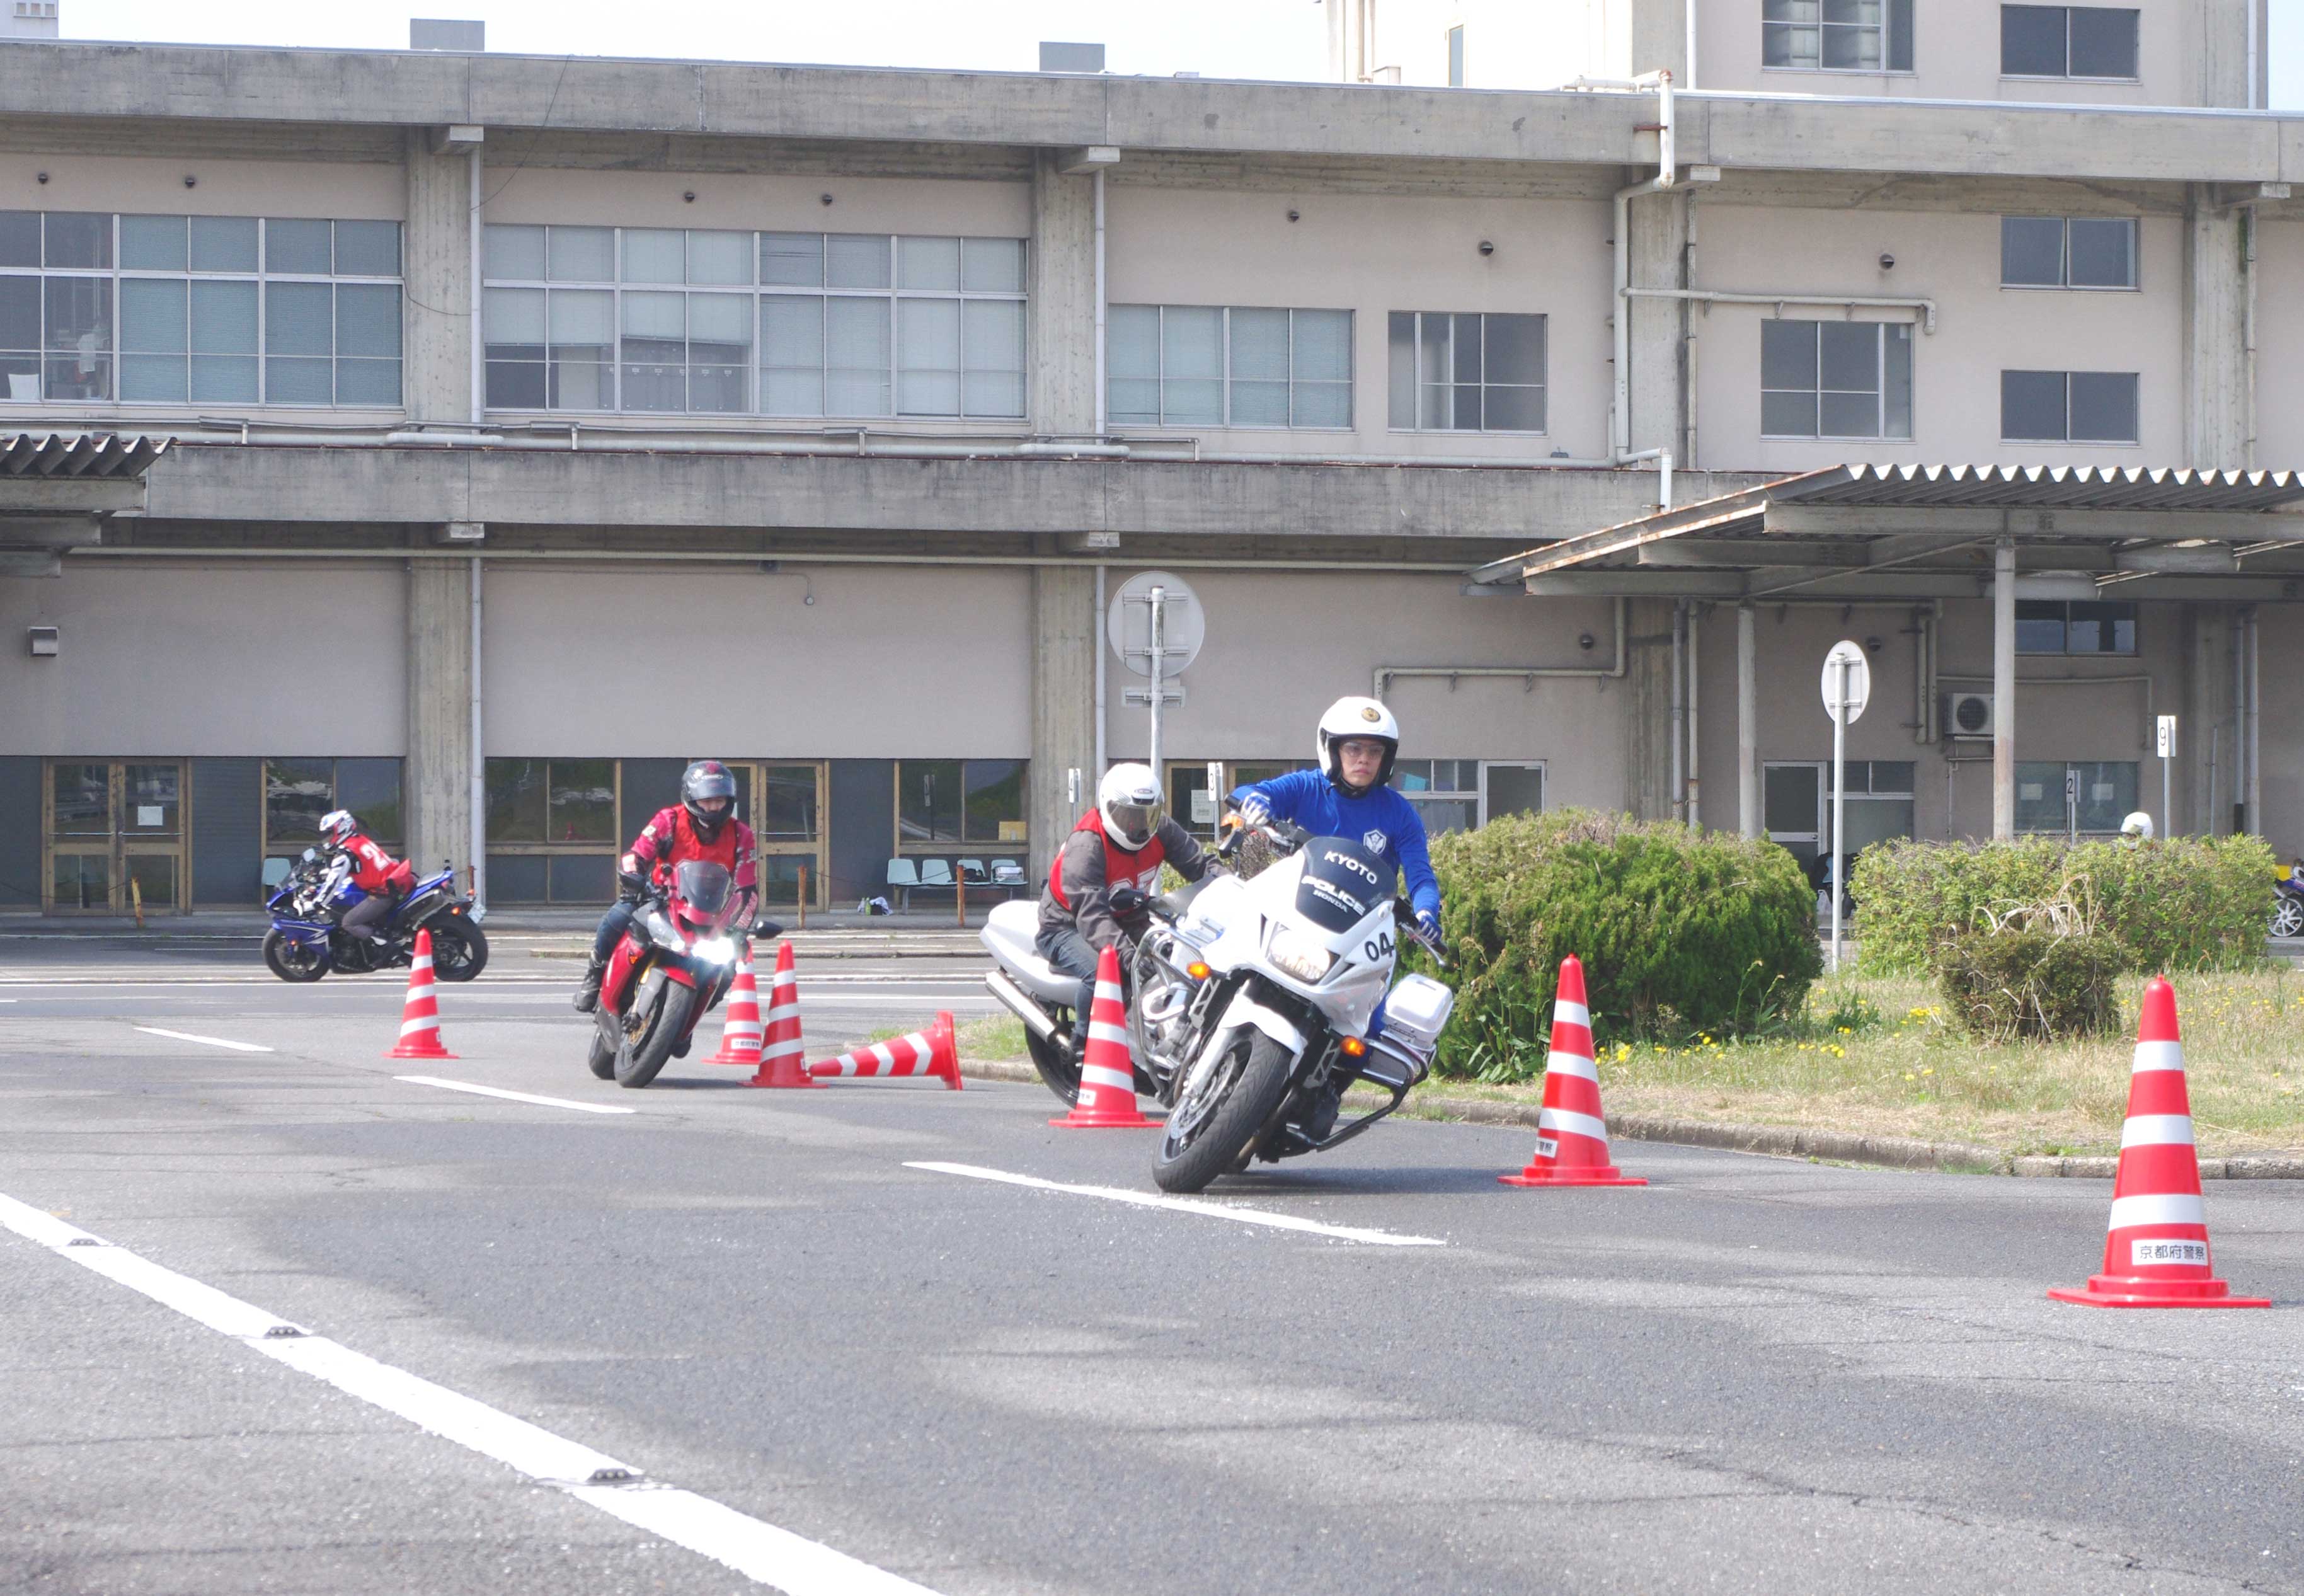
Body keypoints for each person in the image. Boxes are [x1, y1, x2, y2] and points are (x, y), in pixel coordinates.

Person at [1229, 696, 1445, 1139]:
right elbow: (1255, 792)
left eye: (1373, 752)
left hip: (1354, 933)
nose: (1363, 759)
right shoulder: (1307, 787)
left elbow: (1421, 873)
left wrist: (1425, 911)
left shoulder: (1397, 812)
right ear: (1332, 749)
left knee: (1366, 1028)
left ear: (1386, 759)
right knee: (1226, 953)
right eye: (1353, 749)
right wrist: (1253, 805)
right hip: (1297, 914)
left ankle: (1320, 1094)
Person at [1036, 762, 1220, 1057]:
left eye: (1146, 814)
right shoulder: (1087, 847)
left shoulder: (1160, 829)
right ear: (1108, 807)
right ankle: (1084, 1045)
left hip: (1127, 917)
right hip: (1065, 925)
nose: (1138, 824)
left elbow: (1200, 865)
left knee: (1179, 959)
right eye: (1128, 815)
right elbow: (1092, 918)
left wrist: (1230, 887)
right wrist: (1129, 955)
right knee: (1107, 975)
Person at [573, 761, 759, 1013]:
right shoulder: (668, 820)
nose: (714, 807)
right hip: (659, 897)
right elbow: (636, 855)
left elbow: (747, 888)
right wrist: (633, 875)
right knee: (616, 918)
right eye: (707, 800)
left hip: (710, 911)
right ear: (692, 798)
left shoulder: (742, 834)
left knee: (727, 969)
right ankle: (594, 976)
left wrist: (738, 928)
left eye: (720, 800)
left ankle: (689, 1018)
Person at [320, 810, 416, 948]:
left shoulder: (346, 852)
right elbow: (363, 868)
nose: (328, 838)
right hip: (392, 883)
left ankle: (386, 947)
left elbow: (334, 882)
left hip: (383, 893)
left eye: (329, 833)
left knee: (349, 922)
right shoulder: (359, 840)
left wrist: (319, 902)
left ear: (340, 828)